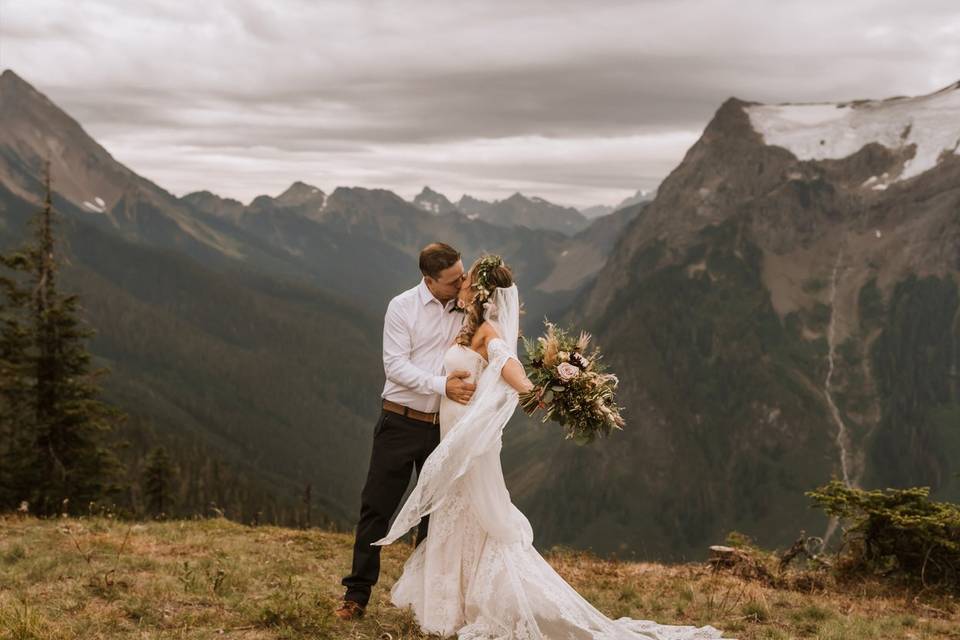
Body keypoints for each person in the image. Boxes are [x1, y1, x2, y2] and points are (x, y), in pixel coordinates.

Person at [372, 255, 732, 640]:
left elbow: (507, 362)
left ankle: (476, 602)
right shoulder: (468, 325)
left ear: (477, 293)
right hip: (458, 432)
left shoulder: (488, 331)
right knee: (458, 513)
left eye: (465, 282)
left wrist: (535, 392)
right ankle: (453, 601)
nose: (459, 285)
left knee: (478, 512)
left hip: (471, 442)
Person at [336, 242, 475, 620]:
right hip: (400, 422)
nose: (461, 282)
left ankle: (425, 599)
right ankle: (356, 595)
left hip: (443, 428)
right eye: (452, 280)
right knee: (377, 508)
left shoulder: (467, 309)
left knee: (436, 515)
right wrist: (441, 384)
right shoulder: (402, 307)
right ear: (429, 280)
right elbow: (395, 366)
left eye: (462, 274)